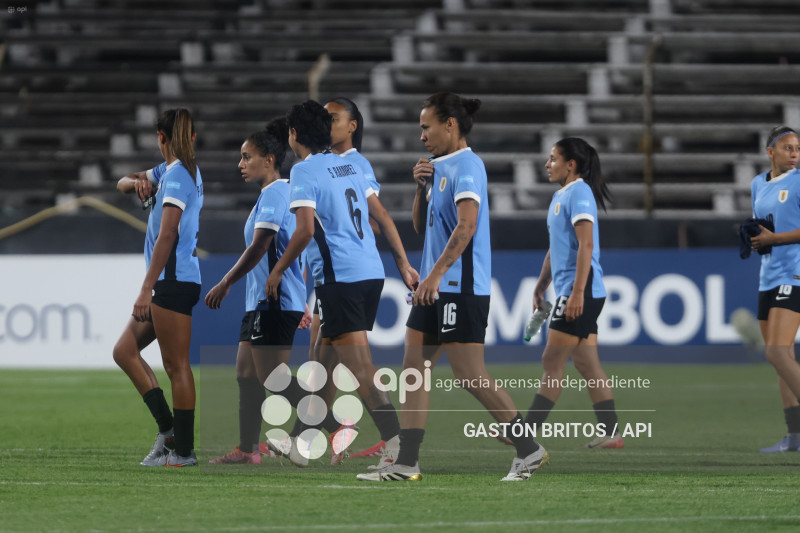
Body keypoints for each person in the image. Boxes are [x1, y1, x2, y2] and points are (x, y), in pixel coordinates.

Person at [358, 92, 547, 482]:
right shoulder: (439, 168)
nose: (422, 136)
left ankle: (529, 449)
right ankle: (407, 462)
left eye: (426, 127)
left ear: (450, 125)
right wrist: (420, 189)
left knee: (469, 374)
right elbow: (421, 226)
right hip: (435, 287)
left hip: (459, 286)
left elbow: (467, 226)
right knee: (414, 369)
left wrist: (436, 275)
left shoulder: (468, 165)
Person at [265, 100, 419, 468]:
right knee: (322, 360)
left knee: (361, 368)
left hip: (340, 278)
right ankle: (302, 443)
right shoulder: (349, 164)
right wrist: (402, 263)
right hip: (369, 272)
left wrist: (278, 270)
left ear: (294, 134)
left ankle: (397, 442)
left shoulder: (304, 171)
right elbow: (382, 215)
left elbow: (304, 230)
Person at [204, 119, 312, 464]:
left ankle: (335, 419)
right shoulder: (270, 195)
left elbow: (261, 245)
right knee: (246, 374)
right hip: (260, 302)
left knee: (272, 378)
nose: (241, 164)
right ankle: (247, 450)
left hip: (274, 301)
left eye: (247, 157)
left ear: (269, 159)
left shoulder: (278, 193)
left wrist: (225, 282)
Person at [114, 108, 203, 467]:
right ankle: (168, 432)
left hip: (173, 281)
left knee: (176, 365)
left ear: (160, 137)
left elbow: (168, 234)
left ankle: (183, 450)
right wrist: (136, 184)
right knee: (125, 351)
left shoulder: (178, 175)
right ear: (191, 137)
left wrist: (145, 289)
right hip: (172, 281)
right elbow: (123, 182)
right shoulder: (172, 170)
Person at [523, 137, 622, 450]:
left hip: (581, 290)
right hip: (575, 290)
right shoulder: (561, 195)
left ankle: (524, 432)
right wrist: (541, 285)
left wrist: (577, 293)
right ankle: (611, 433)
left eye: (553, 158)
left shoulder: (579, 192)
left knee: (551, 360)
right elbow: (556, 249)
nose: (547, 164)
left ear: (571, 165)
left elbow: (586, 245)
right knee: (587, 364)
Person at [748, 126, 800, 452]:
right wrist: (755, 238)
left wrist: (774, 239)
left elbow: (779, 233)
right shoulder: (757, 183)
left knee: (776, 352)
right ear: (770, 152)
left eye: (797, 148)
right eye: (787, 147)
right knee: (783, 359)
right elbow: (764, 225)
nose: (794, 153)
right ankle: (794, 436)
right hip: (768, 275)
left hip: (794, 274)